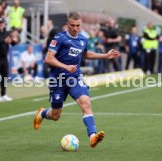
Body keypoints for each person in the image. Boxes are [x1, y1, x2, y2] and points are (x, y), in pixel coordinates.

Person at [33, 12, 121, 148]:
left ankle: (92, 136)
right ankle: (42, 113)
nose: (75, 28)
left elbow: (86, 54)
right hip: (58, 80)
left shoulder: (83, 39)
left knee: (86, 103)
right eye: (72, 25)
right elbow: (48, 58)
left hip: (75, 78)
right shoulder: (59, 38)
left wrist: (105, 55)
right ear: (67, 25)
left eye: (78, 25)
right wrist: (66, 67)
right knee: (55, 115)